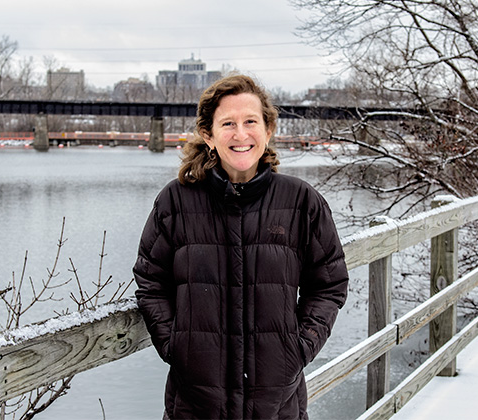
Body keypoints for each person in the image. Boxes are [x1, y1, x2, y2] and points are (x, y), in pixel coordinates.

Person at [133, 75, 349, 420]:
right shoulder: (175, 202)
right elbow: (151, 283)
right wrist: (177, 347)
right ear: (209, 135)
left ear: (268, 129)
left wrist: (299, 347)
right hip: (196, 404)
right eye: (228, 124)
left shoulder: (300, 201)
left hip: (277, 403)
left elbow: (329, 284)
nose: (241, 134)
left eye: (251, 122)